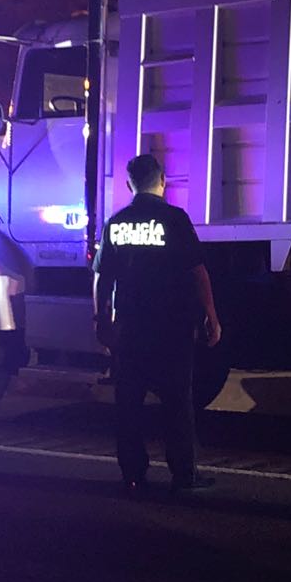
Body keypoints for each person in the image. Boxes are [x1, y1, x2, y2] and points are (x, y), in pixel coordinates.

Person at [93, 154, 222, 493]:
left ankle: (133, 472)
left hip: (131, 328)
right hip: (171, 327)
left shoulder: (116, 222)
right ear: (162, 181)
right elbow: (197, 272)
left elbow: (102, 279)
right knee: (178, 401)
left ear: (128, 184)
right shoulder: (174, 219)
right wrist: (211, 315)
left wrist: (102, 321)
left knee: (129, 402)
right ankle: (184, 474)